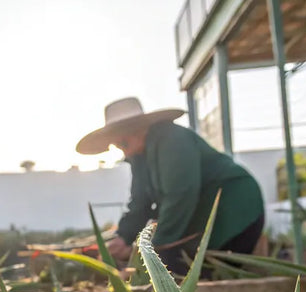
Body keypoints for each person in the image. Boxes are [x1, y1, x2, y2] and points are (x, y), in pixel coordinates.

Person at [76, 97, 265, 274]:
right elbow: (139, 202)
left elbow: (180, 196)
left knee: (185, 269)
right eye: (115, 142)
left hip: (235, 211)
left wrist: (153, 253)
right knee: (179, 265)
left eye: (122, 139)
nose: (118, 145)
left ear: (139, 129)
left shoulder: (172, 140)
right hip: (201, 218)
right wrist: (123, 237)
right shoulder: (139, 159)